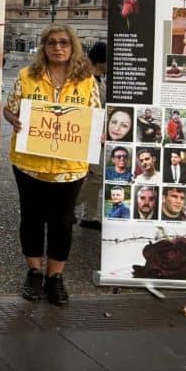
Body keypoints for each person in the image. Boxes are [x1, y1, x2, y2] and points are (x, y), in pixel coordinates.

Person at [4, 23, 100, 306]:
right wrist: (13, 119)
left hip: (69, 167)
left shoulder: (87, 80)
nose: (58, 47)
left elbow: (95, 114)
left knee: (63, 223)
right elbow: (9, 108)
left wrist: (98, 131)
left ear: (72, 47)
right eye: (52, 43)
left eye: (63, 43)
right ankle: (34, 272)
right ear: (44, 47)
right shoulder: (26, 75)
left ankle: (55, 277)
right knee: (31, 218)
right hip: (29, 164)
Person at [77, 41, 107, 231]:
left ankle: (89, 215)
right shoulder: (87, 80)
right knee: (96, 176)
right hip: (89, 135)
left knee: (91, 176)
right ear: (101, 61)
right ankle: (64, 207)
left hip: (98, 134)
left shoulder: (100, 79)